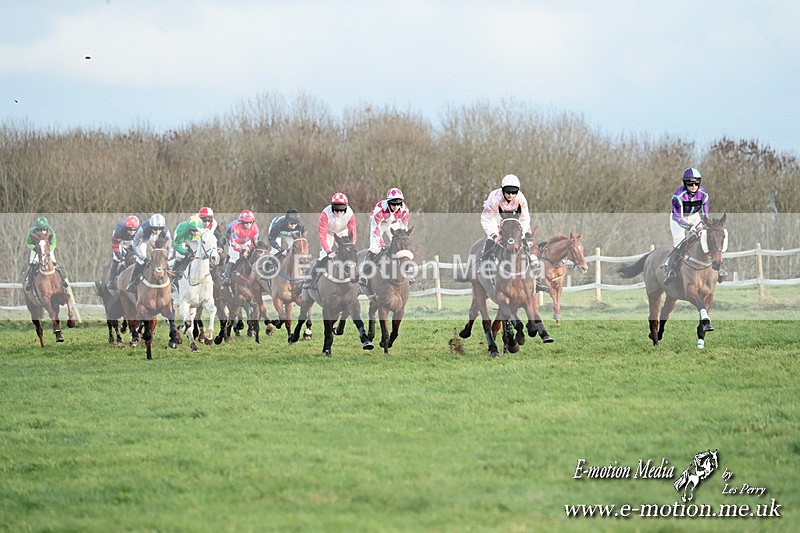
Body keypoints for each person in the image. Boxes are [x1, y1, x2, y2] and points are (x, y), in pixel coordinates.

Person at [663, 168, 721, 283]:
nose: (694, 185)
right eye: (690, 183)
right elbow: (677, 217)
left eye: (696, 182)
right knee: (680, 242)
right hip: (679, 218)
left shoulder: (704, 195)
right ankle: (671, 269)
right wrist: (689, 227)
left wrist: (704, 226)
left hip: (694, 216)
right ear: (685, 183)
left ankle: (717, 268)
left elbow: (705, 215)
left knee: (705, 237)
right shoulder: (678, 196)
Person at [358, 188, 410, 292]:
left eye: (398, 204)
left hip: (394, 224)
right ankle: (363, 275)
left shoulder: (405, 210)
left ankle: (406, 272)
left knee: (401, 246)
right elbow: (376, 229)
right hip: (379, 224)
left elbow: (403, 228)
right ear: (388, 202)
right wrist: (381, 244)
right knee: (375, 248)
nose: (395, 207)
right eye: (393, 204)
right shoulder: (380, 210)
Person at [302, 193, 357, 290]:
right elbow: (322, 236)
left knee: (350, 253)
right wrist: (328, 251)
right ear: (332, 207)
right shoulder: (325, 214)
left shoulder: (350, 214)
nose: (339, 212)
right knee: (323, 255)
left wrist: (351, 245)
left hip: (342, 232)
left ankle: (357, 280)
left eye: (342, 209)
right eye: (336, 208)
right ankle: (310, 280)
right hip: (329, 232)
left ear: (346, 207)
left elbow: (353, 232)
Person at [126, 214, 172, 294]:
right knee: (140, 261)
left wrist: (167, 257)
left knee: (163, 261)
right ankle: (132, 282)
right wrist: (143, 258)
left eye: (160, 228)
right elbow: (135, 245)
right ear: (151, 227)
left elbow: (170, 248)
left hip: (158, 241)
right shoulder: (142, 230)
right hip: (143, 240)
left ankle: (172, 283)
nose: (157, 231)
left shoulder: (166, 232)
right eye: (155, 228)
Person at [25, 216, 69, 290]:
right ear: (37, 228)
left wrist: (48, 250)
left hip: (48, 249)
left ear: (47, 228)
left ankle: (63, 279)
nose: (42, 231)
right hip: (36, 249)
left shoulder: (51, 233)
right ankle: (29, 281)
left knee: (54, 262)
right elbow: (28, 243)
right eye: (39, 229)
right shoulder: (31, 232)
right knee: (32, 264)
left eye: (44, 229)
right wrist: (34, 248)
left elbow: (54, 243)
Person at [221, 210, 259, 286]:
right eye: (245, 222)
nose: (248, 224)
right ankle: (226, 277)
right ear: (241, 222)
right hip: (235, 241)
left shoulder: (255, 228)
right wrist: (242, 250)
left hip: (246, 240)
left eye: (250, 222)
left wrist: (248, 249)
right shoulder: (235, 228)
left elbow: (255, 242)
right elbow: (234, 245)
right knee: (234, 257)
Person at [170, 215, 204, 285]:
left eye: (196, 230)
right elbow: (176, 245)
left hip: (193, 239)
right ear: (189, 228)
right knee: (180, 256)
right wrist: (185, 252)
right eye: (193, 230)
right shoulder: (182, 231)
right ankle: (173, 276)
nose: (194, 232)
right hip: (182, 237)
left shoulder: (201, 231)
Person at [108, 215, 140, 289]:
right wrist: (121, 259)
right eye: (129, 229)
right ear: (126, 227)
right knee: (116, 258)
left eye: (134, 230)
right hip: (121, 239)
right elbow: (115, 247)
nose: (132, 232)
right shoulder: (119, 230)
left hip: (132, 240)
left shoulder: (139, 231)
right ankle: (111, 280)